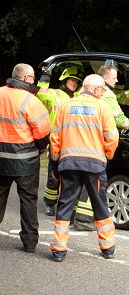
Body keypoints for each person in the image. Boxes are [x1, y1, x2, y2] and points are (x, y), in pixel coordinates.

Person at [49, 74, 119, 262]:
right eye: (103, 90)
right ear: (95, 89)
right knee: (100, 204)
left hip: (69, 163)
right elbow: (112, 137)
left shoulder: (66, 106)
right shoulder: (103, 108)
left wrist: (56, 163)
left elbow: (55, 137)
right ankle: (107, 247)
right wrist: (107, 156)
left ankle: (59, 249)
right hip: (94, 165)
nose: (103, 93)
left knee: (65, 204)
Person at [0, 63, 51, 253]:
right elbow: (43, 132)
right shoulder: (31, 100)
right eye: (33, 78)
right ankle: (29, 243)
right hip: (25, 160)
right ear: (26, 79)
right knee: (28, 200)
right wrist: (40, 148)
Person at [37, 67, 83, 216]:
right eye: (72, 80)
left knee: (71, 177)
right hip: (57, 142)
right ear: (64, 80)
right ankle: (50, 203)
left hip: (74, 143)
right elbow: (40, 94)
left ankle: (68, 205)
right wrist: (45, 77)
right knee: (54, 175)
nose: (74, 83)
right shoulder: (54, 93)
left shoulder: (78, 96)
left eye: (77, 81)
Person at [97, 65, 129, 131]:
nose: (117, 80)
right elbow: (121, 122)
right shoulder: (108, 94)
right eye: (114, 78)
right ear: (106, 78)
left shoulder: (83, 90)